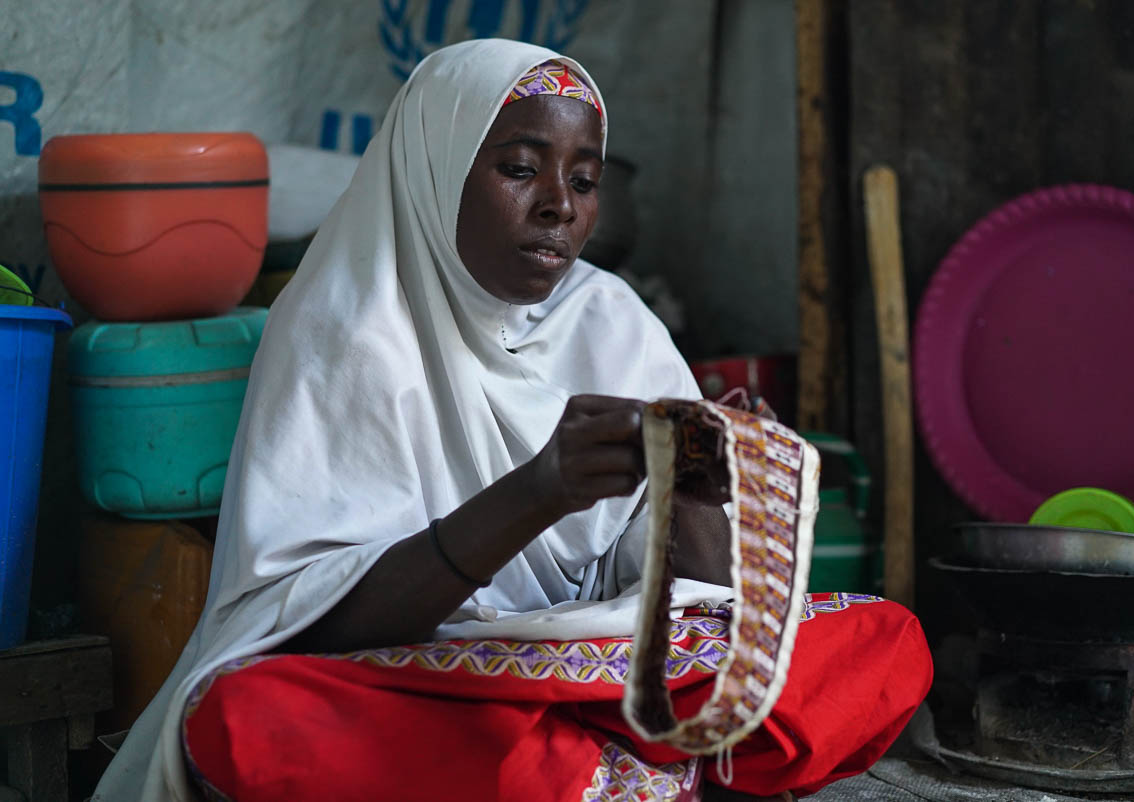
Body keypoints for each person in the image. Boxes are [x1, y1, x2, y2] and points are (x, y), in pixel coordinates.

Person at [92, 39, 931, 802]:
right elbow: (319, 621)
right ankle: (643, 776)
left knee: (881, 638)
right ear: (436, 169)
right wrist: (537, 494)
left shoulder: (613, 322)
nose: (559, 206)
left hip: (591, 672)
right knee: (249, 718)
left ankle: (583, 773)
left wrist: (704, 492)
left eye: (584, 180)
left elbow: (699, 607)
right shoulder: (345, 328)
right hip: (415, 679)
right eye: (521, 168)